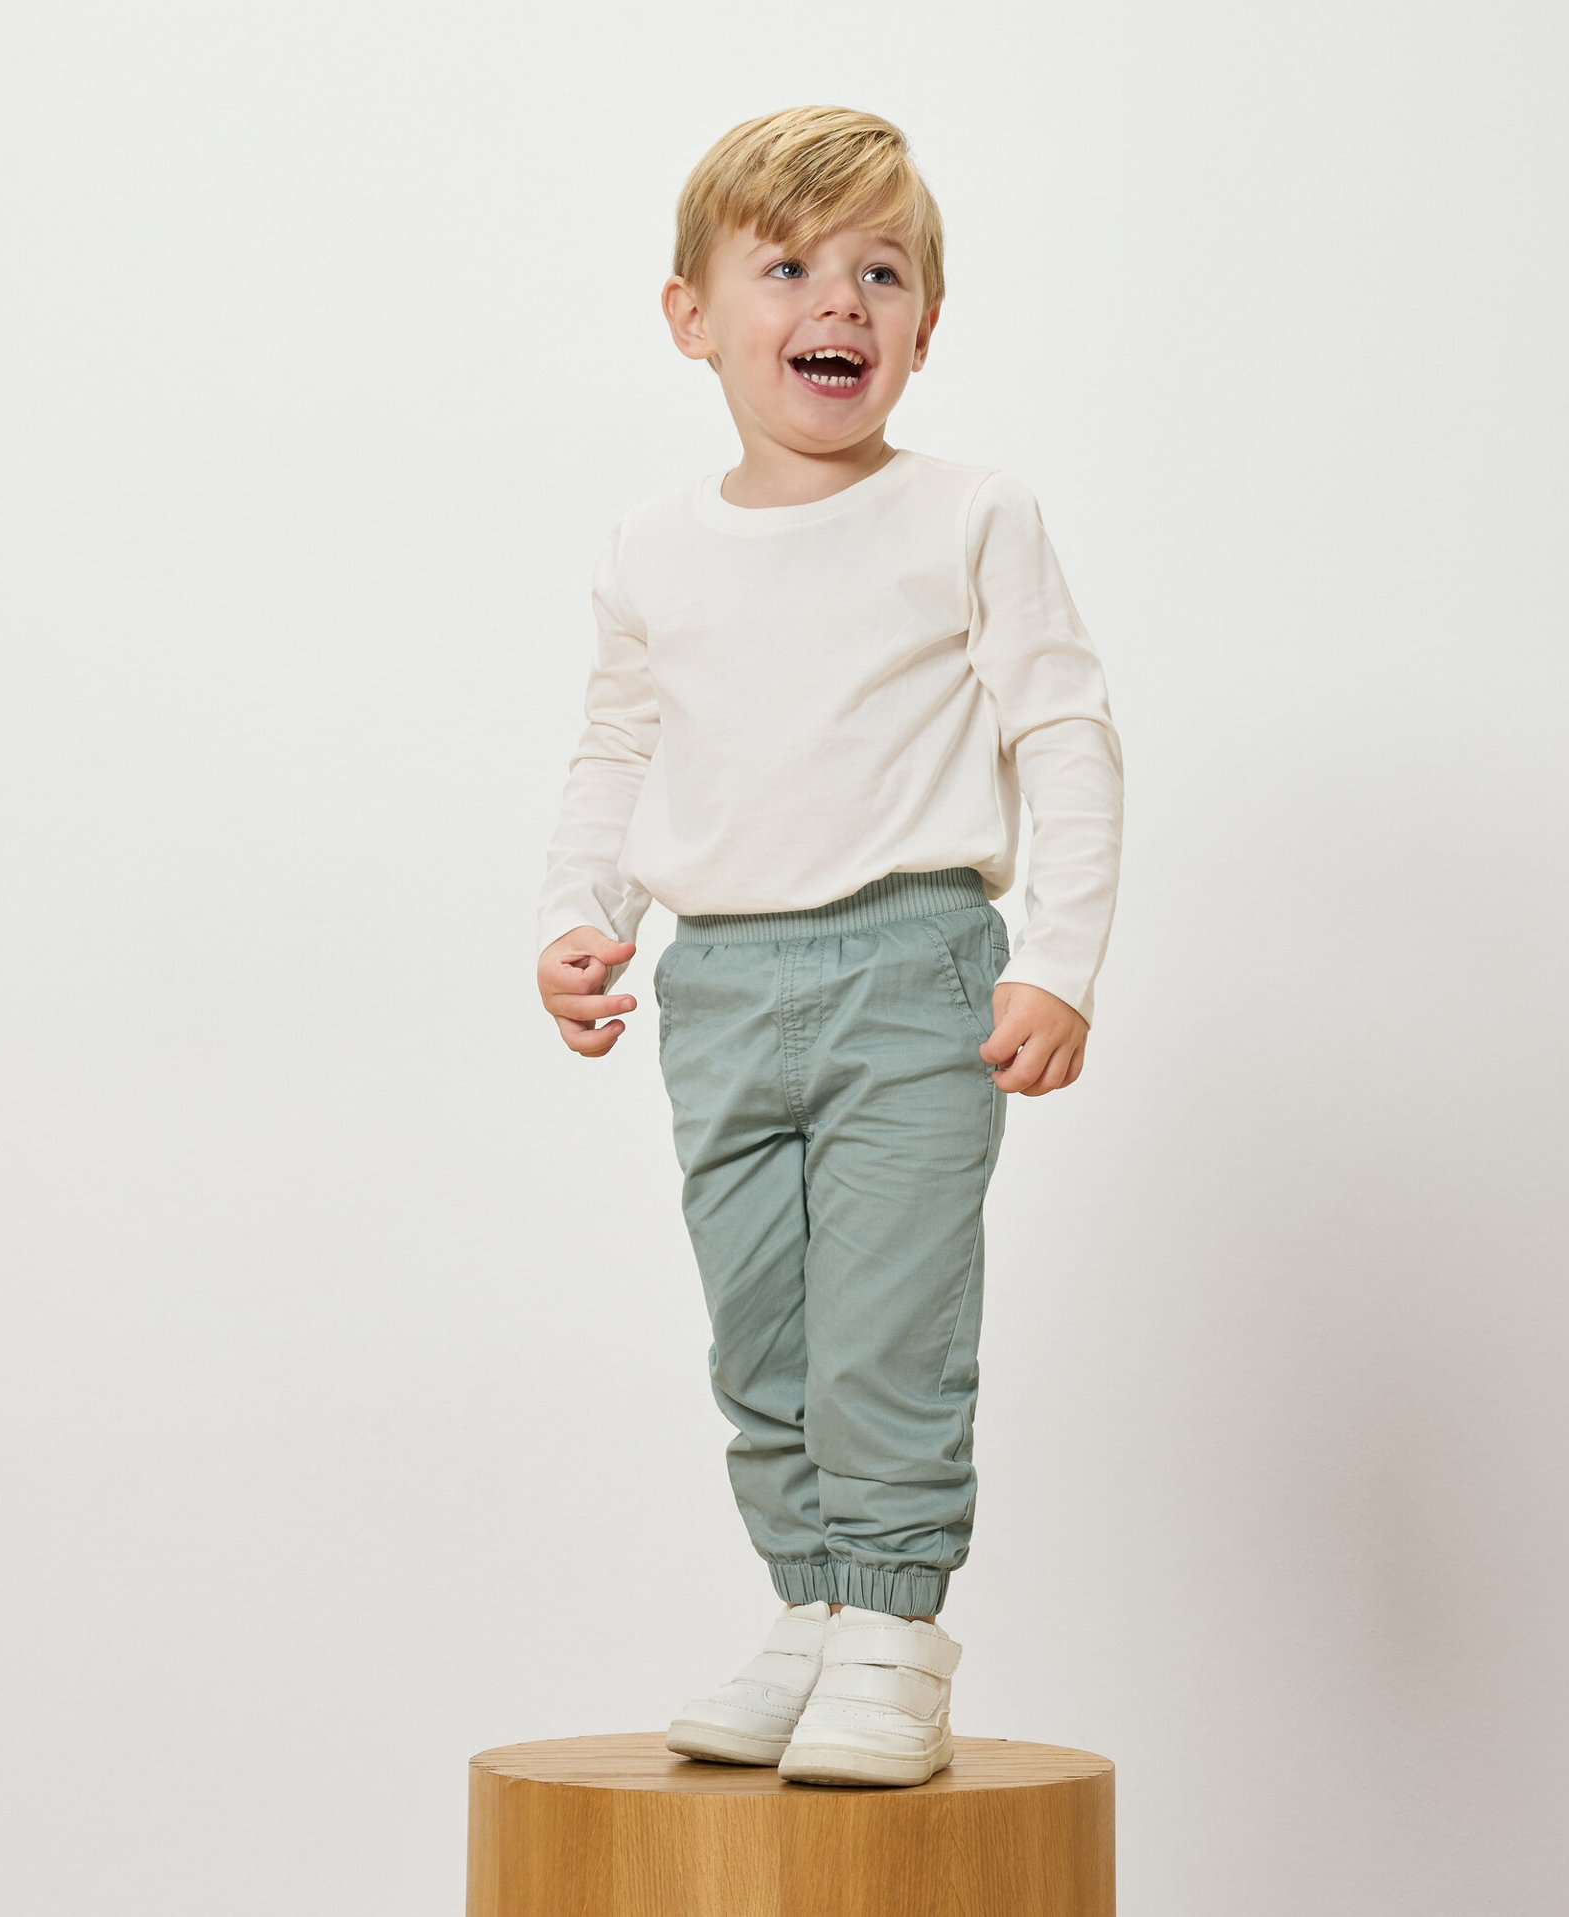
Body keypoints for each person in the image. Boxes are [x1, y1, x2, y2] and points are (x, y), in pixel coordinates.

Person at [533, 105, 1123, 1788]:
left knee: (888, 1322)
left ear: (925, 325)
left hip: (908, 971)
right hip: (718, 990)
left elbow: (1066, 731)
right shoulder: (652, 548)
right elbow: (619, 742)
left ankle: (894, 1626)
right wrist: (581, 918)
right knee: (763, 1335)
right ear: (692, 317)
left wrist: (1057, 956)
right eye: (785, 267)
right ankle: (808, 1602)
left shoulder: (968, 514)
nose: (836, 303)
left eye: (879, 271)